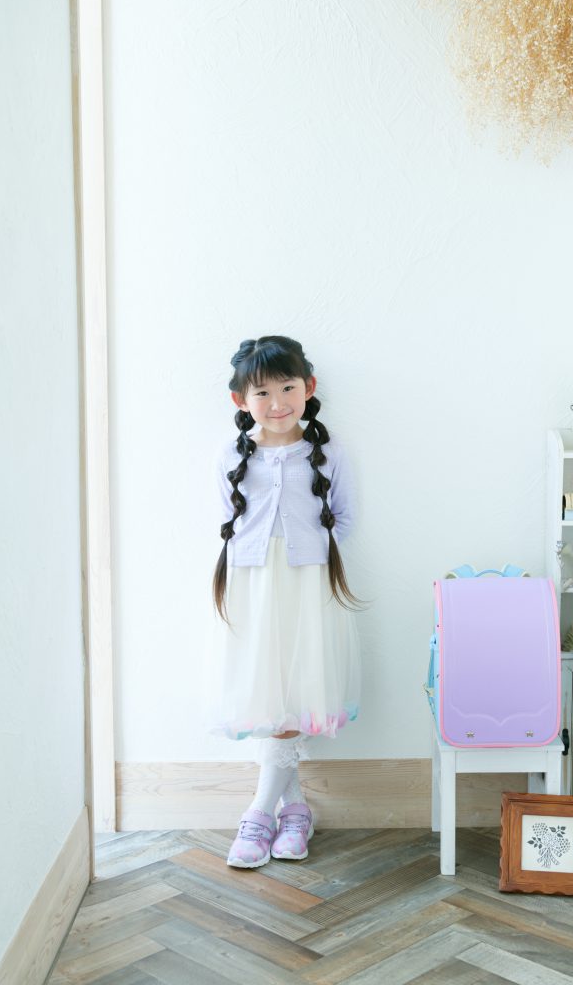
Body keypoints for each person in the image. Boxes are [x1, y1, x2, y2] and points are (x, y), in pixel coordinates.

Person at [210, 335, 360, 870]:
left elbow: (345, 518)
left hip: (306, 586)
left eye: (288, 388)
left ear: (308, 387)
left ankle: (259, 813)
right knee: (270, 697)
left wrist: (307, 555)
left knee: (295, 694)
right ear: (240, 400)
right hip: (253, 587)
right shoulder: (232, 455)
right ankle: (293, 811)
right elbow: (225, 522)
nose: (277, 403)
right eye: (262, 392)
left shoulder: (329, 453)